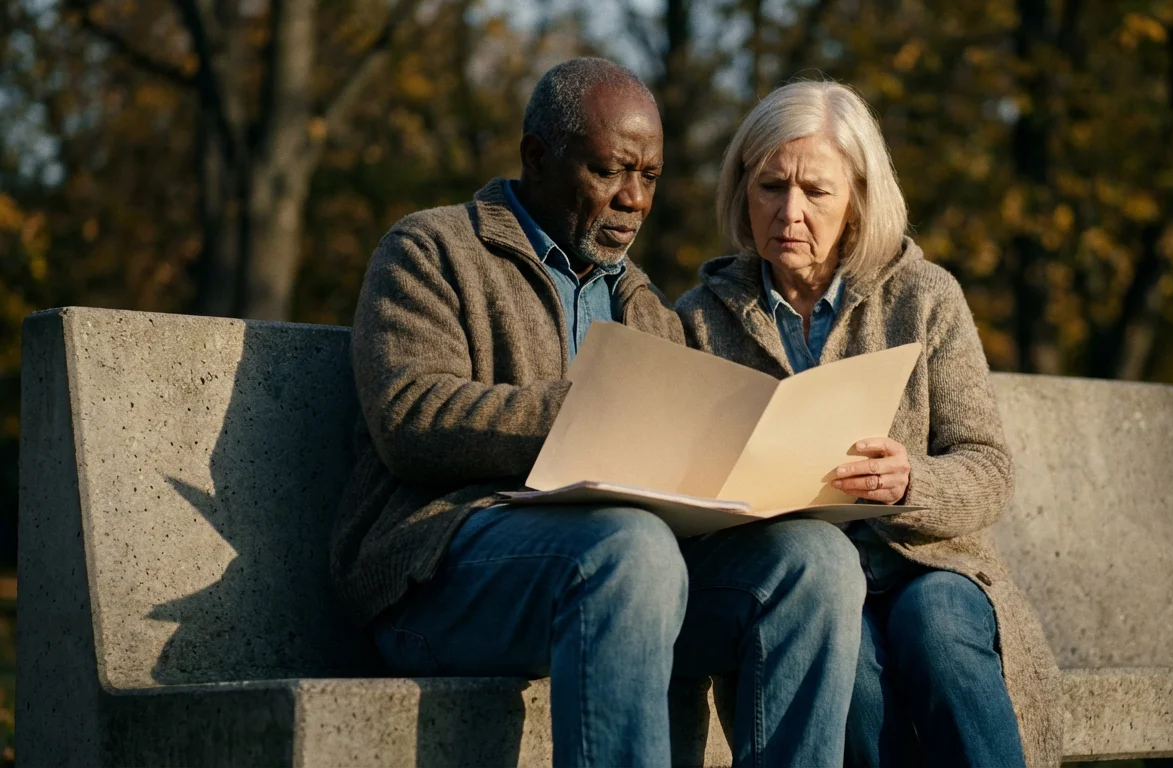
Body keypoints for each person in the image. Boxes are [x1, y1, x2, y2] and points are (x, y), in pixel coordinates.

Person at [330, 58, 865, 767]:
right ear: (537, 158)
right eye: (610, 171)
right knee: (629, 547)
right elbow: (410, 418)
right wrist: (586, 416)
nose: (633, 200)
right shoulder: (432, 250)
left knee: (815, 562)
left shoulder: (644, 304)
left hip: (627, 579)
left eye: (649, 177)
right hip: (441, 578)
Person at [676, 80, 1064, 768]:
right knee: (843, 657)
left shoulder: (924, 297)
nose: (788, 212)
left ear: (858, 196)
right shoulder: (700, 319)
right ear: (742, 191)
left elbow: (987, 466)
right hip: (804, 589)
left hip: (929, 566)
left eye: (815, 192)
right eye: (769, 186)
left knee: (937, 629)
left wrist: (910, 480)